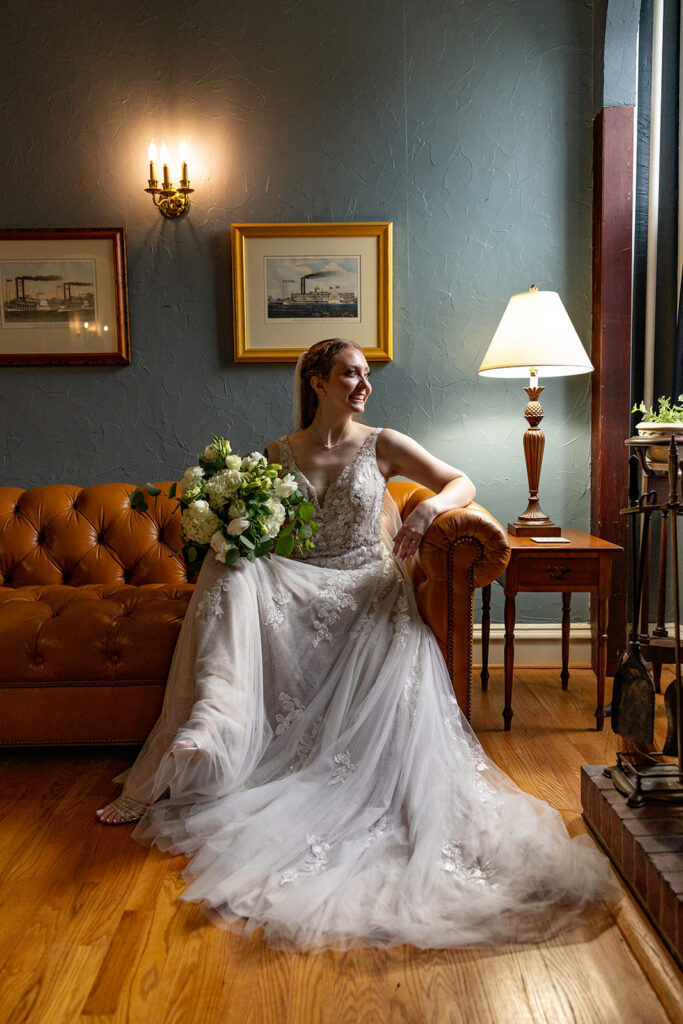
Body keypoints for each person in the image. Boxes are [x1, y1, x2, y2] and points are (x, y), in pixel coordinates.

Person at [96, 337, 618, 951]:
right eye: (350, 374)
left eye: (366, 374)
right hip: (304, 584)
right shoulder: (275, 455)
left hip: (370, 587)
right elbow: (273, 539)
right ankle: (214, 719)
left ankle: (223, 720)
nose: (364, 384)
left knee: (244, 571)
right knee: (230, 564)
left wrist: (426, 514)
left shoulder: (384, 443)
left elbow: (461, 481)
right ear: (317, 382)